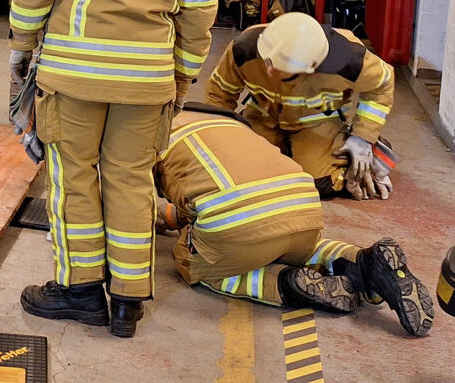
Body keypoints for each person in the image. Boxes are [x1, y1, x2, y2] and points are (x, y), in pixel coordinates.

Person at [8, 0, 218, 338]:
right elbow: (197, 26)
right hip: (147, 85)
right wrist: (181, 85)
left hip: (72, 78)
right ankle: (127, 302)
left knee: (73, 178)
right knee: (130, 182)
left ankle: (79, 292)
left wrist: (21, 47)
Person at [156, 108, 433, 335]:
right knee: (295, 243)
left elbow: (137, 200)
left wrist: (158, 218)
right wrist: (176, 216)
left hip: (236, 220)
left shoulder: (149, 135)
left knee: (195, 262)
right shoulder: (229, 124)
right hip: (303, 205)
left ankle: (286, 283)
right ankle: (364, 261)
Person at [205, 11, 396, 200]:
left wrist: (363, 137)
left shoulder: (350, 60)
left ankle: (365, 149)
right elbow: (219, 94)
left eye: (281, 69)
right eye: (268, 62)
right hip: (264, 117)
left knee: (321, 184)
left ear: (311, 68)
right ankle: (286, 152)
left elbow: (381, 86)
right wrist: (220, 139)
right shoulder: (244, 48)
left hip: (317, 124)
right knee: (242, 175)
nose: (270, 71)